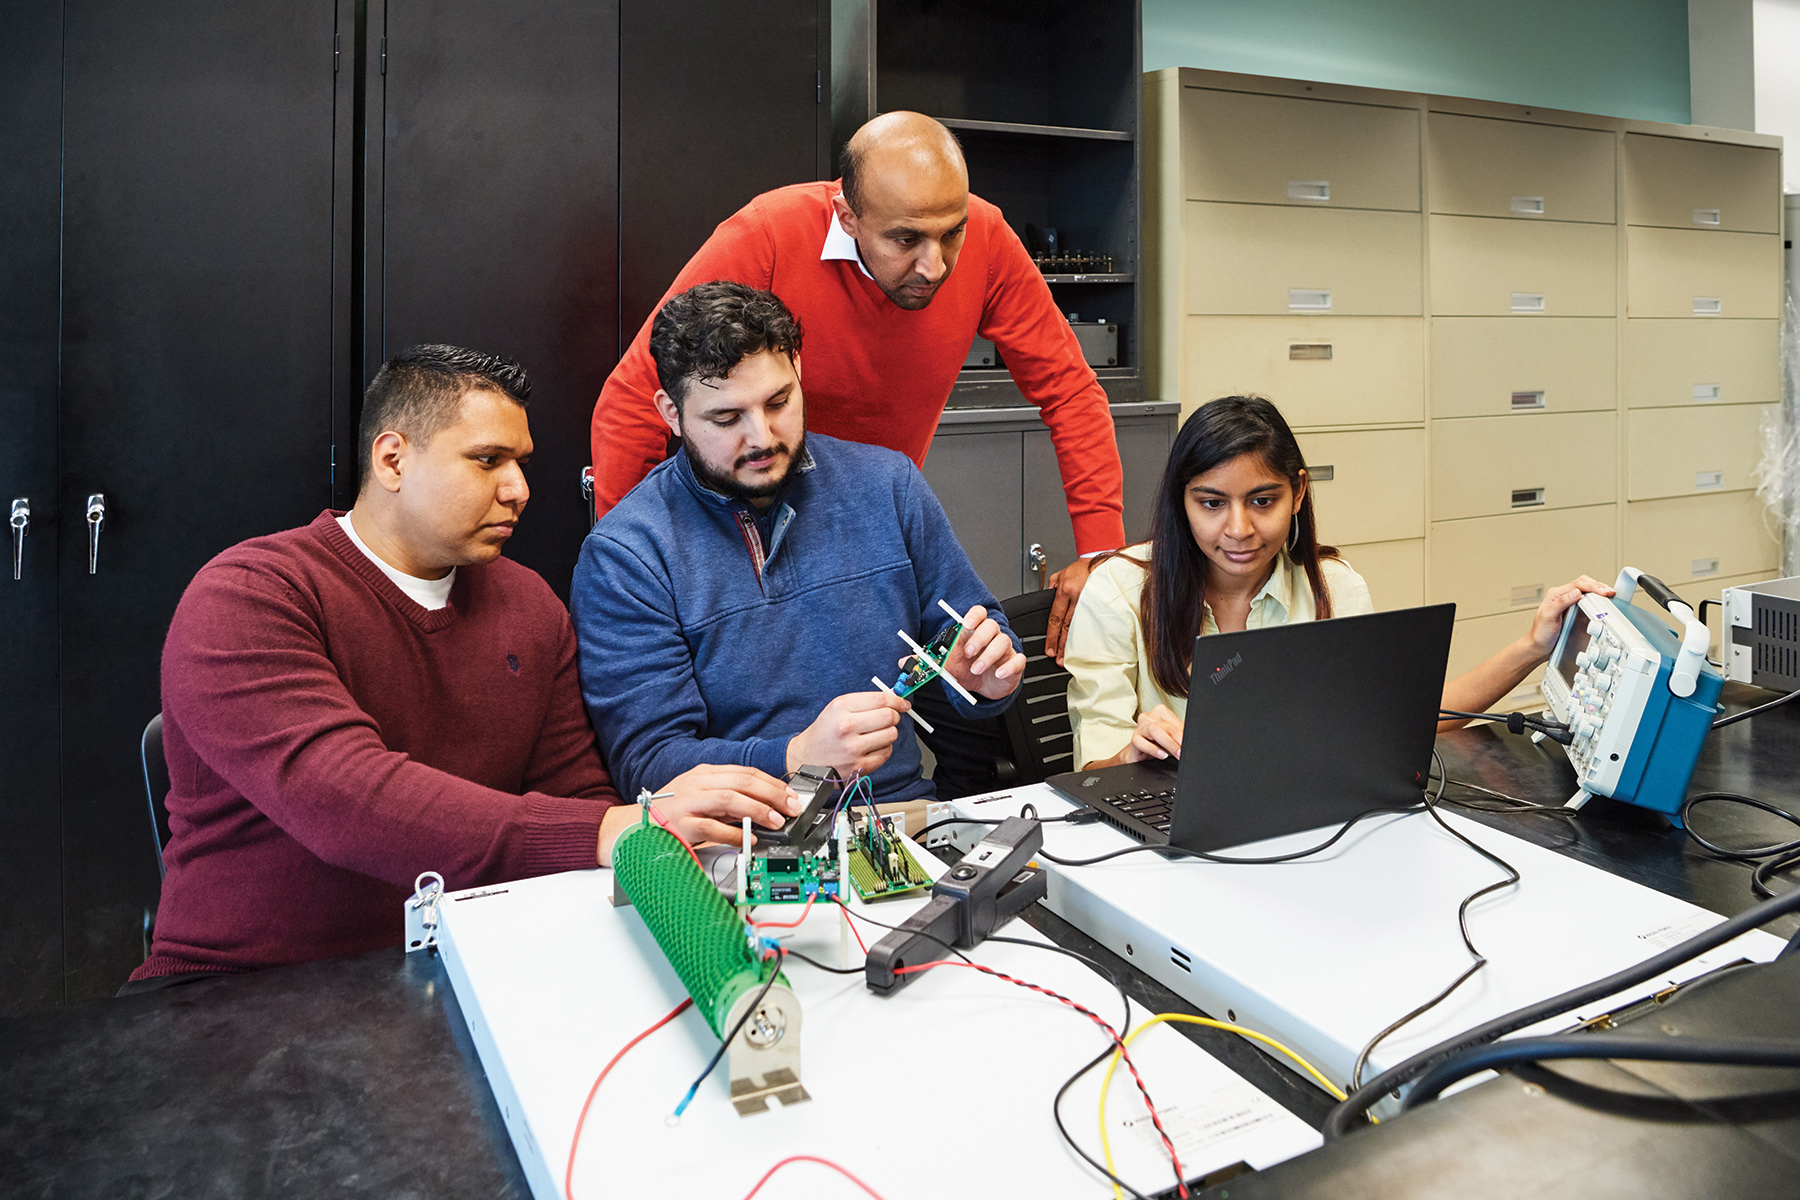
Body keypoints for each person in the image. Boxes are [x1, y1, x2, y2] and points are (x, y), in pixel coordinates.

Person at [129, 345, 799, 989]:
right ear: (393, 459)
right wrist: (610, 829)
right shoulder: (250, 595)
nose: (520, 489)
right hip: (240, 991)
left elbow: (577, 797)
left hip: (471, 962)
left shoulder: (529, 606)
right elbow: (349, 803)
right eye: (488, 461)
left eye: (522, 462)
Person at [590, 111, 1123, 661]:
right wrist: (631, 568)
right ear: (847, 215)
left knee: (928, 686)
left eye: (951, 233)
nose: (934, 265)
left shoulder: (989, 236)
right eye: (906, 239)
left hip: (875, 512)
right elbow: (632, 400)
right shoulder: (768, 234)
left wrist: (1103, 552)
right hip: (735, 514)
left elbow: (1071, 391)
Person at [572, 282, 1028, 806]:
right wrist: (796, 755)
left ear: (799, 373)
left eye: (779, 401)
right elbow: (649, 767)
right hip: (739, 840)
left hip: (896, 816)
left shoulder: (888, 487)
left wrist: (988, 681)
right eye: (726, 418)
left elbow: (982, 645)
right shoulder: (627, 555)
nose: (763, 437)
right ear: (671, 413)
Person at [1065, 395, 1612, 769]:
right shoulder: (1116, 592)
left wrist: (1533, 647)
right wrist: (1131, 757)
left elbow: (1405, 718)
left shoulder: (1333, 586)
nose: (1238, 529)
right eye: (1211, 503)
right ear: (1181, 501)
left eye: (1263, 500)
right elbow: (1091, 772)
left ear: (1298, 493)